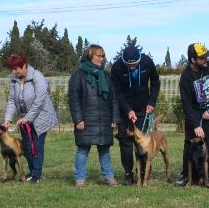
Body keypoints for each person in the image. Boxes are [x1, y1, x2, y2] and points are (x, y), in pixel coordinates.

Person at [110, 43, 161, 185]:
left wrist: (152, 102)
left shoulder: (147, 62)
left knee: (143, 142)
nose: (132, 67)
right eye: (129, 65)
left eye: (134, 65)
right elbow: (117, 92)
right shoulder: (117, 67)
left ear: (139, 60)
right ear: (124, 61)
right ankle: (128, 174)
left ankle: (143, 172)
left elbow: (156, 82)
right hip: (124, 109)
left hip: (143, 108)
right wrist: (128, 110)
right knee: (126, 142)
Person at [69, 45, 120, 186]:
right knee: (83, 150)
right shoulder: (78, 75)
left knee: (104, 150)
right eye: (98, 55)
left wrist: (115, 118)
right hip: (85, 119)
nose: (101, 59)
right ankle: (80, 178)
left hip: (104, 119)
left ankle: (109, 177)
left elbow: (114, 98)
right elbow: (74, 99)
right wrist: (78, 119)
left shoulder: (106, 76)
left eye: (102, 56)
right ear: (90, 56)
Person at [175, 42, 209, 188]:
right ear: (193, 60)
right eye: (202, 58)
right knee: (190, 146)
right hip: (194, 114)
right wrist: (195, 125)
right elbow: (186, 104)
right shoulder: (186, 77)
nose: (206, 60)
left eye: (206, 56)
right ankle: (186, 175)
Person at [4, 53, 58, 183]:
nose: (14, 71)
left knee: (37, 146)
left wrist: (27, 118)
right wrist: (7, 119)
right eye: (12, 68)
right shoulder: (14, 79)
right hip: (24, 119)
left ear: (24, 66)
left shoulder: (37, 77)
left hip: (41, 117)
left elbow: (39, 102)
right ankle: (32, 171)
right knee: (27, 147)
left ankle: (36, 175)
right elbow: (12, 100)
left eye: (16, 68)